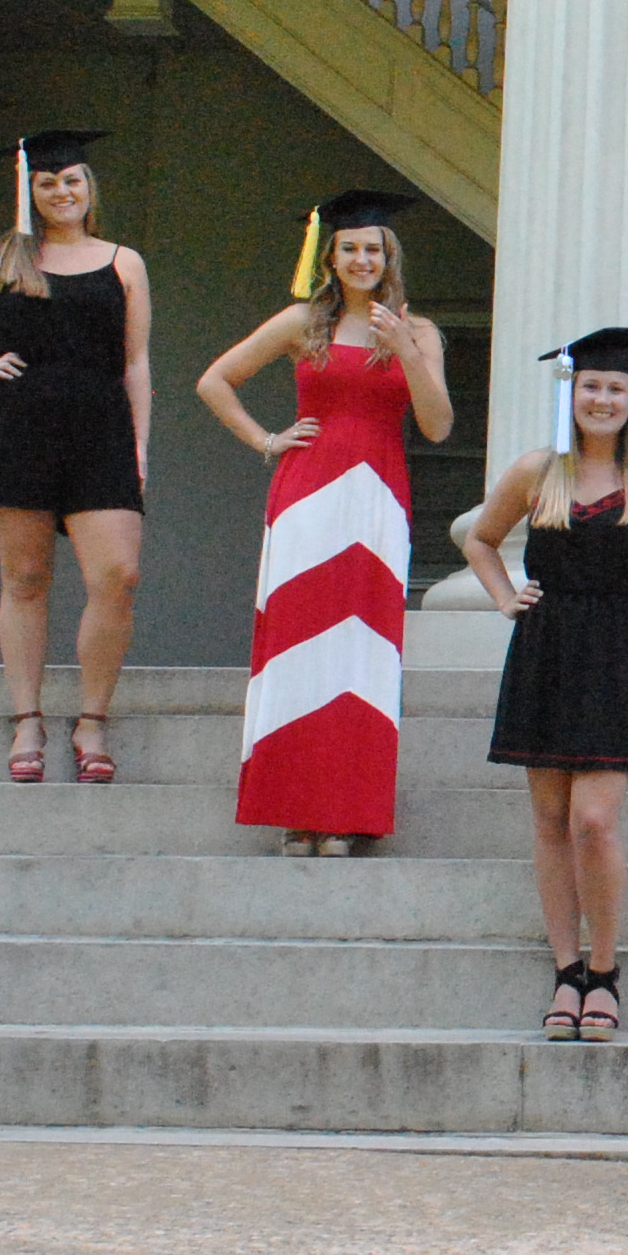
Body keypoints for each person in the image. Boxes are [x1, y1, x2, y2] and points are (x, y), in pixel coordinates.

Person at [197, 191, 456, 857]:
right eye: (350, 249)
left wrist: (405, 350)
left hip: (378, 499)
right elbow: (215, 381)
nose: (363, 259)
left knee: (361, 655)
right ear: (331, 259)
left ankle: (345, 811)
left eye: (374, 249)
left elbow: (437, 425)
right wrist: (267, 439)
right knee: (298, 645)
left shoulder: (419, 331)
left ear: (389, 258)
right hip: (307, 495)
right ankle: (295, 809)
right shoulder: (301, 323)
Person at [0, 128, 152, 787]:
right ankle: (28, 720)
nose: (61, 191)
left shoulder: (124, 262)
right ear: (30, 191)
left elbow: (135, 362)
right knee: (25, 578)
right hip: (18, 426)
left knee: (118, 574)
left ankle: (92, 721)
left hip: (101, 428)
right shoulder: (4, 257)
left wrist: (139, 446)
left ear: (89, 187)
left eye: (72, 180)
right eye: (47, 182)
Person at [460, 327, 628, 1045]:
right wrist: (506, 598)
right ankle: (566, 972)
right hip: (549, 649)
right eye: (591, 385)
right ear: (572, 392)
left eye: (616, 388)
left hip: (623, 653)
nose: (602, 399)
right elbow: (477, 538)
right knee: (551, 820)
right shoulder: (537, 472)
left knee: (594, 820)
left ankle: (605, 971)